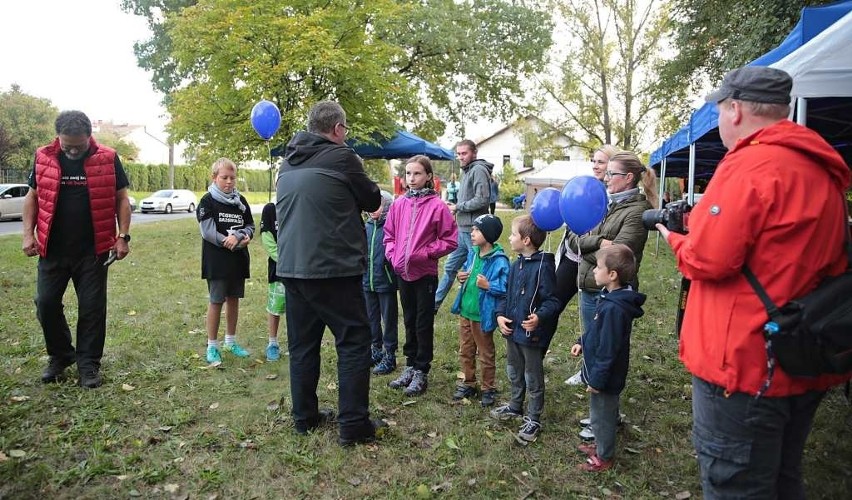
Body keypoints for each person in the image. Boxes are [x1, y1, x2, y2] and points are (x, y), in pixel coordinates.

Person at [657, 66, 851, 499]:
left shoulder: (749, 164)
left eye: (722, 111)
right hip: (800, 353)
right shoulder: (821, 169)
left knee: (737, 484)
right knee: (783, 477)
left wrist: (675, 239)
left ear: (737, 110)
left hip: (744, 364)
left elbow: (707, 259)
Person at [276, 101, 383, 446]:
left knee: (303, 345)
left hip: (292, 267)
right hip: (333, 268)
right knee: (353, 342)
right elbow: (371, 200)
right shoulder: (343, 157)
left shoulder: (286, 163)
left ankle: (304, 418)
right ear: (337, 129)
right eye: (346, 129)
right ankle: (353, 425)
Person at [22, 110, 132, 389]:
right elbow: (32, 197)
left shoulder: (107, 157)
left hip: (93, 250)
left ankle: (88, 364)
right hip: (52, 249)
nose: (72, 150)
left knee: (92, 309)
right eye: (66, 144)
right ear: (58, 137)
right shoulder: (44, 156)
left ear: (89, 138)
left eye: (78, 146)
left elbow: (122, 199)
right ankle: (61, 356)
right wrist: (27, 234)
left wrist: (123, 237)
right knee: (45, 303)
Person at [384, 155, 458, 396]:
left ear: (428, 177)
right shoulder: (398, 205)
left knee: (423, 322)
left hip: (424, 274)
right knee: (409, 320)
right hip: (402, 273)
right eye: (408, 174)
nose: (411, 178)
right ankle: (409, 364)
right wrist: (394, 255)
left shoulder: (437, 207)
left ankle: (421, 370)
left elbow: (450, 239)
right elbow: (389, 235)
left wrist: (425, 254)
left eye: (417, 174)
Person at [571, 244, 645, 472]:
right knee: (598, 412)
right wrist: (582, 342)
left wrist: (597, 380)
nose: (593, 270)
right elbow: (596, 329)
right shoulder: (610, 297)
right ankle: (600, 444)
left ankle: (604, 457)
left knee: (603, 416)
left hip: (605, 376)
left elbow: (608, 348)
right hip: (599, 373)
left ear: (612, 275)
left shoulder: (615, 309)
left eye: (598, 267)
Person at [492, 215, 560, 444]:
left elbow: (553, 301)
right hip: (512, 331)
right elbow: (505, 294)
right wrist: (500, 315)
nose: (510, 238)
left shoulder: (544, 268)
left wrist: (539, 317)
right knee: (513, 369)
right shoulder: (516, 264)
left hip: (531, 336)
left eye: (513, 234)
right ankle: (514, 405)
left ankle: (534, 417)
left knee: (532, 376)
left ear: (527, 240)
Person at [556, 145, 618, 388]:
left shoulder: (612, 198)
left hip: (598, 269)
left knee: (597, 324)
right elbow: (574, 237)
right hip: (574, 261)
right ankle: (533, 354)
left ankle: (590, 373)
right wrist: (598, 242)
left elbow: (613, 247)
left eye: (601, 162)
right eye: (593, 160)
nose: (595, 165)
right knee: (552, 304)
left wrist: (593, 245)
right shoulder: (585, 189)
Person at [197, 158, 254, 365]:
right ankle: (212, 345)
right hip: (217, 262)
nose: (229, 182)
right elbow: (208, 231)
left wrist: (241, 237)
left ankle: (230, 341)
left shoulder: (241, 201)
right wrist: (229, 241)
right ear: (214, 178)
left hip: (238, 261)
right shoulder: (207, 201)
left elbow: (250, 226)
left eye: (232, 177)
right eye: (224, 178)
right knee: (216, 301)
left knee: (234, 300)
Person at [450, 214, 510, 407]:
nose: (472, 233)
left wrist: (488, 285)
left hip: (482, 315)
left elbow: (505, 287)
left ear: (489, 234)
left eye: (477, 230)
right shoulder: (473, 253)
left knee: (485, 353)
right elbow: (467, 271)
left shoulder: (500, 260)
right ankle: (468, 382)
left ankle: (487, 388)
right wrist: (461, 276)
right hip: (466, 312)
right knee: (465, 350)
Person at [434, 139, 492, 311]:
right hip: (463, 230)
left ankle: (476, 309)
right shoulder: (466, 171)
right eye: (458, 154)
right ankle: (434, 305)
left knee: (475, 272)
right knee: (451, 267)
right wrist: (454, 206)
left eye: (464, 153)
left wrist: (459, 207)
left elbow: (483, 199)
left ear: (474, 153)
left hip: (475, 231)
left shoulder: (479, 170)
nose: (460, 157)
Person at [363, 191, 399, 375]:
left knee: (389, 319)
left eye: (378, 205)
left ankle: (390, 354)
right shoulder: (366, 226)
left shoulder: (391, 226)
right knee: (371, 317)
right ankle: (375, 349)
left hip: (386, 280)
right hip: (367, 281)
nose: (373, 210)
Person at [260, 201, 283, 361]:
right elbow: (267, 239)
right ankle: (272, 343)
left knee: (299, 310)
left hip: (301, 269)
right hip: (279, 269)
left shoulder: (298, 203)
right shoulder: (270, 209)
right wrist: (284, 261)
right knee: (275, 308)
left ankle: (297, 343)